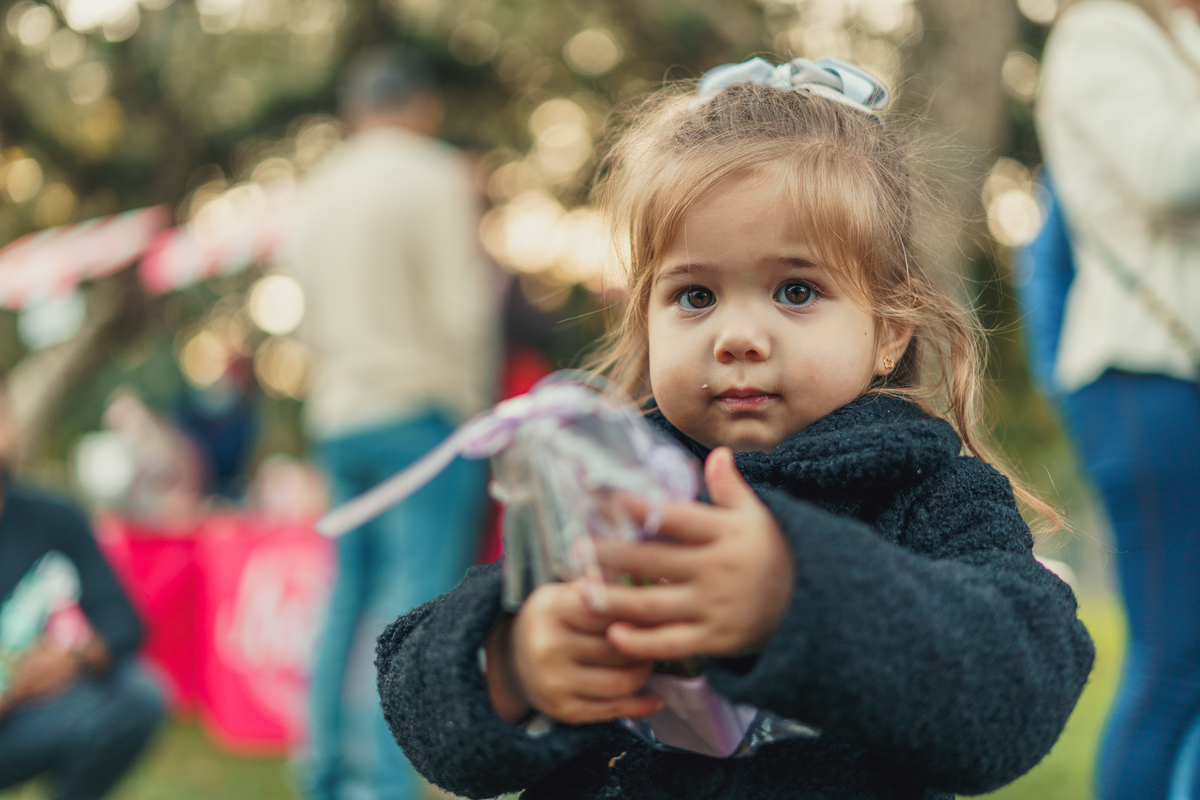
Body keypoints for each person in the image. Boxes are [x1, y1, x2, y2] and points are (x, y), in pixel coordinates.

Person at [374, 57, 1095, 799]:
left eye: (795, 290)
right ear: (644, 320)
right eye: (694, 295)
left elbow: (1020, 684)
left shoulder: (931, 495)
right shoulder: (608, 483)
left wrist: (796, 597)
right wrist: (518, 663)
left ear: (888, 329)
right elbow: (415, 677)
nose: (737, 336)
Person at [273, 47, 498, 800]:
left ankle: (322, 772)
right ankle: (381, 782)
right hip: (420, 411)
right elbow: (462, 310)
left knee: (346, 596)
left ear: (354, 110)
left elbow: (300, 317)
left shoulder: (316, 190)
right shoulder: (435, 174)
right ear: (421, 105)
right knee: (410, 607)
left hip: (339, 412)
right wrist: (476, 414)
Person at [1037, 2, 1200, 797]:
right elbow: (1170, 170)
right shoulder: (1101, 30)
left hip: (1179, 373)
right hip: (1146, 377)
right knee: (1176, 655)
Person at [0, 383, 165, 799]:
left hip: (30, 713)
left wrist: (69, 658)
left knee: (139, 694)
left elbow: (124, 623)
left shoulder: (56, 517)